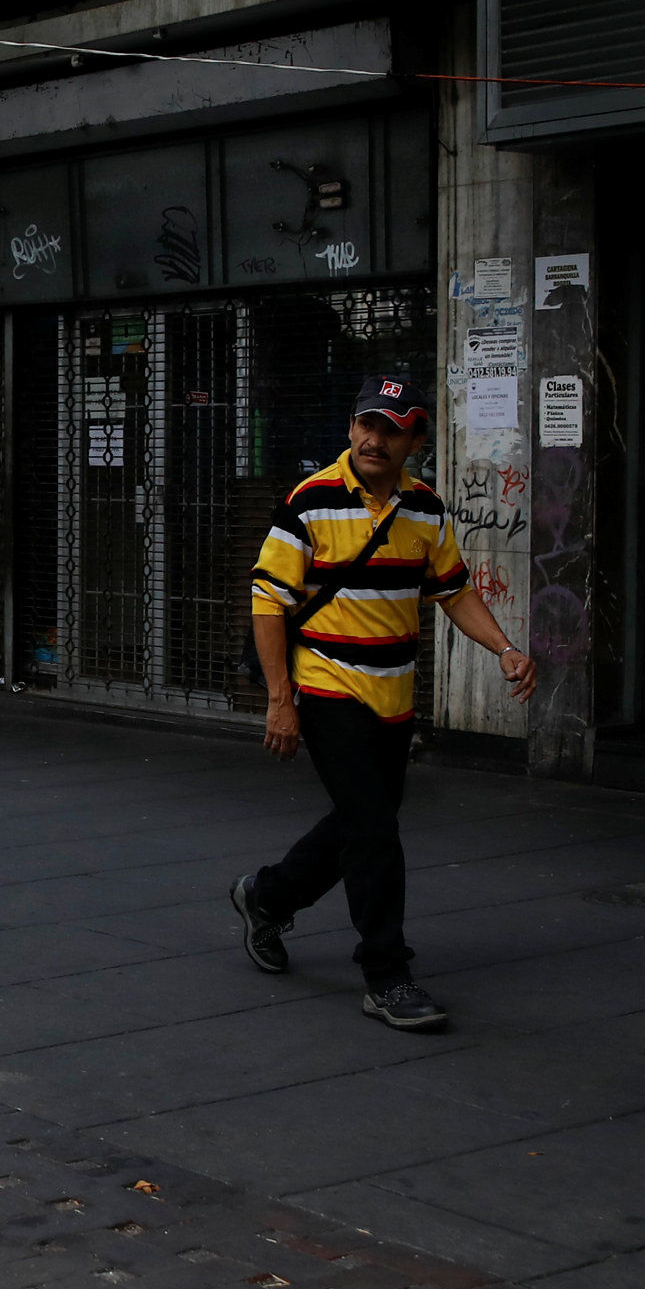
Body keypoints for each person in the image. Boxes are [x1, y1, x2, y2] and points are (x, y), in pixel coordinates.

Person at [231, 375, 535, 1032]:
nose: (376, 438)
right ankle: (386, 974)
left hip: (393, 695)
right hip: (327, 686)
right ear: (350, 429)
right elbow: (268, 601)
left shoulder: (426, 510)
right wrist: (282, 699)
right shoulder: (309, 503)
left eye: (393, 429)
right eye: (367, 424)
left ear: (416, 441)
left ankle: (266, 895)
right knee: (373, 828)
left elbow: (453, 592)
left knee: (357, 819)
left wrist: (504, 648)